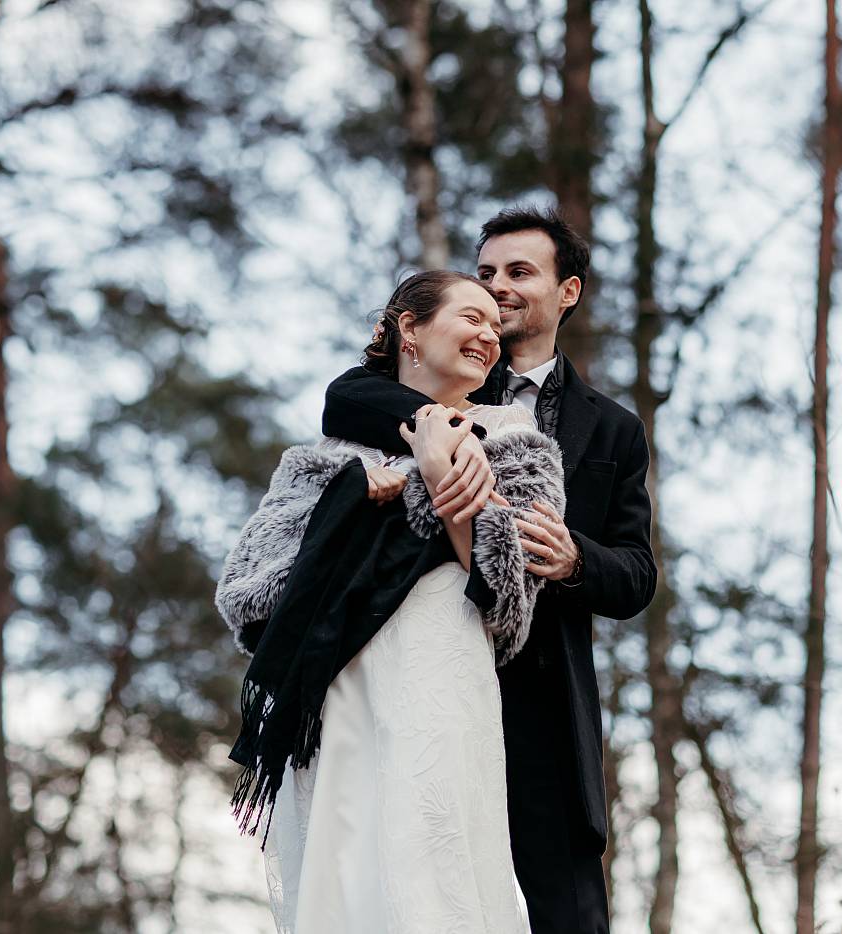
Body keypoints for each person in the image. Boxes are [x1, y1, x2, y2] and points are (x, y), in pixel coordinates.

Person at [322, 206, 658, 934]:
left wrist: (574, 558)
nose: (497, 288)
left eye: (518, 272)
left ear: (567, 292)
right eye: (484, 273)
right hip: (422, 682)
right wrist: (456, 428)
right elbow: (346, 395)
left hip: (541, 703)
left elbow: (636, 576)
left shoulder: (614, 430)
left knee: (567, 913)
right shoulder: (444, 377)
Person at [216, 270, 567, 933]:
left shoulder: (514, 438)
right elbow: (250, 592)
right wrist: (353, 495)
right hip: (339, 687)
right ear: (410, 328)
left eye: (495, 325)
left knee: (431, 860)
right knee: (346, 872)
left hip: (440, 670)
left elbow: (510, 593)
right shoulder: (324, 460)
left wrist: (431, 477)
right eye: (471, 317)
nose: (489, 335)